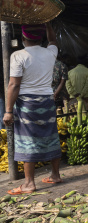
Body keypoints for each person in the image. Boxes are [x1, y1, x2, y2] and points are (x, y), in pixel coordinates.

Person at [4, 23, 62, 195]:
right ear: (41, 37)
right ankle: (55, 175)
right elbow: (53, 40)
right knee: (51, 135)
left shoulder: (18, 55)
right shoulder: (50, 53)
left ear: (23, 38)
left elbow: (14, 84)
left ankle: (29, 183)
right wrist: (49, 23)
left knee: (26, 141)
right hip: (47, 101)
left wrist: (8, 111)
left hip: (27, 104)